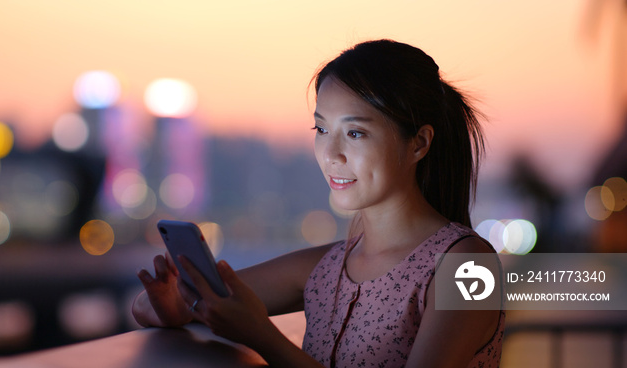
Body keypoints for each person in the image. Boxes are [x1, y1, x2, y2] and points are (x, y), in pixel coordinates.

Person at [132, 39, 504, 368]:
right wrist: (170, 305)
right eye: (322, 129)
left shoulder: (468, 264)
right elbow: (146, 307)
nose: (331, 154)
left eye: (355, 133)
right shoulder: (325, 268)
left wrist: (263, 337)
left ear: (419, 143)